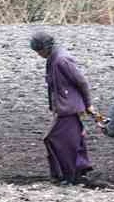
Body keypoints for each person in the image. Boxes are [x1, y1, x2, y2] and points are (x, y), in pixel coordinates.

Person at [31, 31, 97, 186]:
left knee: (58, 140)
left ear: (46, 48)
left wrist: (88, 104)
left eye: (39, 51)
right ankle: (72, 173)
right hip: (64, 108)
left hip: (70, 109)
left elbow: (82, 82)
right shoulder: (52, 59)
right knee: (69, 141)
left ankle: (69, 176)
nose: (38, 54)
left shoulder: (61, 60)